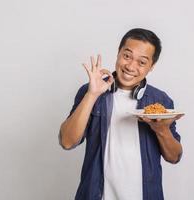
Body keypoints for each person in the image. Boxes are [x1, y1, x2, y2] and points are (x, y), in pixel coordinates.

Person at [59, 28, 184, 200]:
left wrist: (162, 130)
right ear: (118, 53)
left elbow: (174, 157)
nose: (131, 66)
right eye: (127, 56)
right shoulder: (90, 91)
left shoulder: (160, 101)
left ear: (151, 67)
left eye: (141, 62)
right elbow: (67, 141)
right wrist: (92, 95)